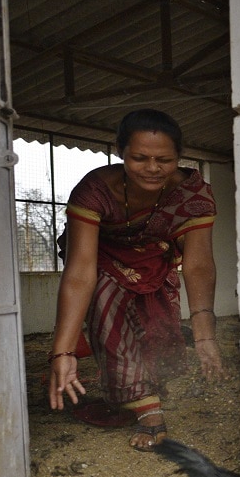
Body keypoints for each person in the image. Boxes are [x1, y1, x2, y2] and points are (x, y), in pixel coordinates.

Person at [47, 109, 224, 451]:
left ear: (179, 157)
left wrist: (204, 337)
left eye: (165, 159)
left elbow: (199, 264)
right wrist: (62, 351)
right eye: (139, 158)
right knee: (108, 312)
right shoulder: (94, 190)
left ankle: (141, 387)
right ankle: (148, 410)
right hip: (101, 259)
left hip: (155, 260)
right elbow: (80, 271)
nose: (153, 168)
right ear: (120, 152)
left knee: (158, 327)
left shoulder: (194, 195)